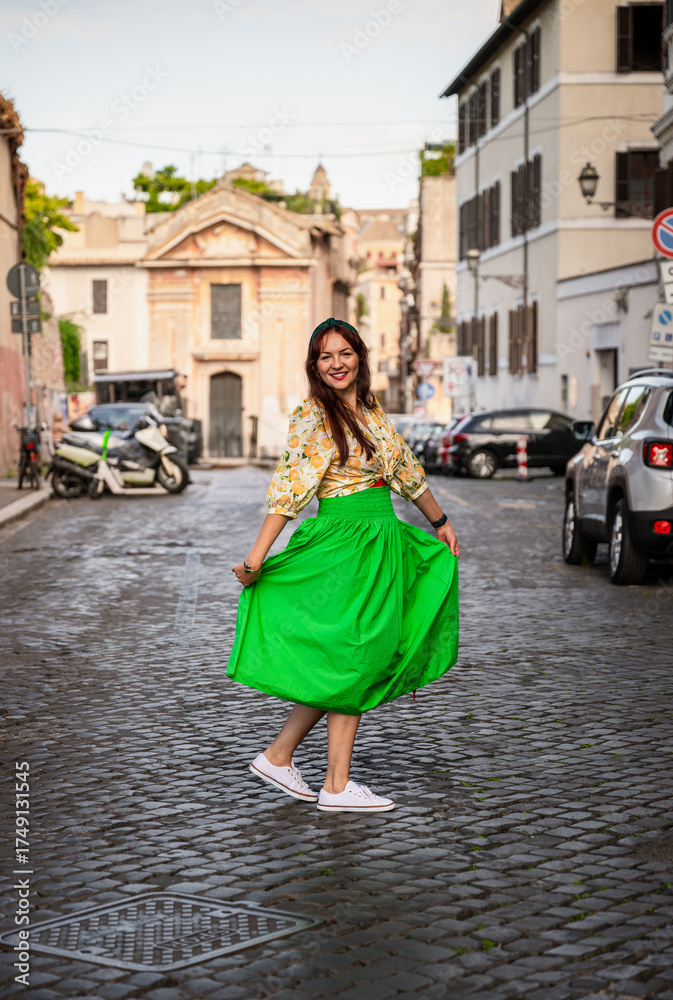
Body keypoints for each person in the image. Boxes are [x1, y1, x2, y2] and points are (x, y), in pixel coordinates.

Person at [227, 318, 459, 814]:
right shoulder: (313, 415)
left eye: (345, 353)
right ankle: (335, 785)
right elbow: (290, 489)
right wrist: (255, 558)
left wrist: (439, 520)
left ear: (360, 357)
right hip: (345, 544)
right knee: (356, 656)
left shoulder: (371, 409)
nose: (336, 364)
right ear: (315, 365)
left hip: (380, 540)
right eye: (325, 356)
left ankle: (280, 756)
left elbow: (406, 471)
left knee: (348, 658)